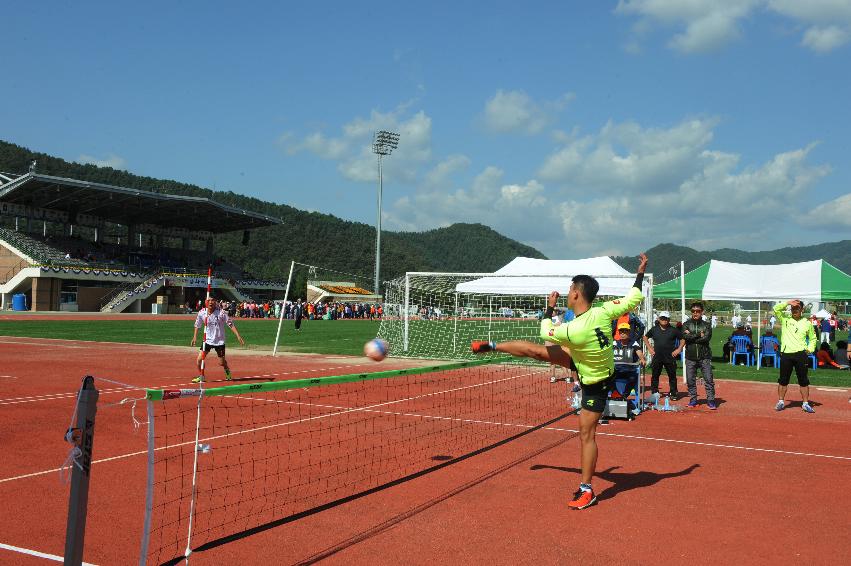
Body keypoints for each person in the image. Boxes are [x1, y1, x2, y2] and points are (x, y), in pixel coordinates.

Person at [471, 253, 649, 510]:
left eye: (569, 290)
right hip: (583, 357)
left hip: (595, 381)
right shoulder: (604, 310)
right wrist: (640, 271)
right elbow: (634, 296)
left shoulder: (575, 330)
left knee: (586, 434)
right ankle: (493, 345)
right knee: (536, 352)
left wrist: (549, 307)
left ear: (576, 293)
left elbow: (546, 331)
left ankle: (587, 489)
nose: (567, 293)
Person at [773, 299, 816, 413]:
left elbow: (813, 338)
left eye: (797, 308)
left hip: (801, 354)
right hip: (786, 354)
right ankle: (781, 402)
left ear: (802, 310)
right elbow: (775, 309)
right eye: (793, 308)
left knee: (803, 380)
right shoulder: (785, 319)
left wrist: (810, 349)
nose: (794, 310)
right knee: (783, 380)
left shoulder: (807, 323)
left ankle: (805, 403)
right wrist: (787, 303)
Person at [191, 296, 245, 383]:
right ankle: (202, 376)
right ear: (205, 302)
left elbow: (230, 324)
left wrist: (238, 336)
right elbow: (197, 325)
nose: (211, 302)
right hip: (207, 340)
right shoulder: (202, 313)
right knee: (199, 359)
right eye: (209, 300)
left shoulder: (221, 313)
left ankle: (226, 369)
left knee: (221, 363)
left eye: (213, 300)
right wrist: (194, 337)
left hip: (219, 341)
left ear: (216, 302)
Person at [681, 302, 716, 409]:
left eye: (698, 311)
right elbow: (684, 337)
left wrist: (691, 336)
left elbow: (706, 338)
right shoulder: (686, 324)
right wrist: (697, 335)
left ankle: (710, 400)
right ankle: (693, 400)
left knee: (708, 379)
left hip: (704, 356)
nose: (695, 313)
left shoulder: (706, 325)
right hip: (690, 357)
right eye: (693, 311)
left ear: (702, 312)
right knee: (690, 380)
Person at [643, 311, 684, 399]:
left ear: (669, 320)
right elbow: (645, 337)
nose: (664, 320)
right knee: (655, 375)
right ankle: (654, 392)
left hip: (670, 357)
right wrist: (649, 348)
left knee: (672, 375)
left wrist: (679, 349)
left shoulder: (673, 330)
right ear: (659, 319)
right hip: (657, 356)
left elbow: (683, 339)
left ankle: (673, 393)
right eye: (662, 318)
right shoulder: (654, 329)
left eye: (666, 318)